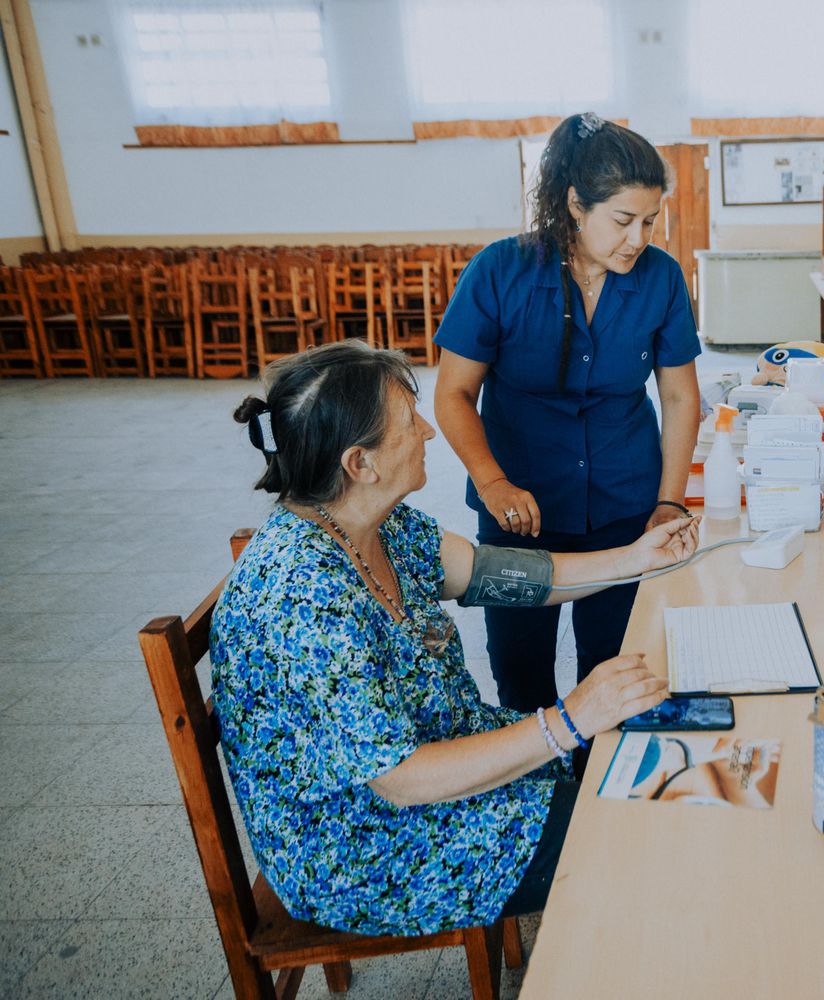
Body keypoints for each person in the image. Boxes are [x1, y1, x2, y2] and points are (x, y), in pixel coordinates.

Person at [210, 341, 696, 935]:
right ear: (359, 463)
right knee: (628, 826)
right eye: (409, 421)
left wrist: (632, 558)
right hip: (364, 847)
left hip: (437, 767)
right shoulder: (299, 597)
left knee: (642, 773)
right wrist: (568, 719)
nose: (429, 432)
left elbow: (497, 574)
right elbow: (401, 778)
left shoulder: (373, 522)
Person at [433, 112, 701, 715]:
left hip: (624, 506)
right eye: (624, 220)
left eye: (651, 222)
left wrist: (669, 501)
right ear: (577, 205)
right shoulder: (500, 271)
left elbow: (682, 396)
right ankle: (545, 802)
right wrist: (491, 480)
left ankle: (598, 798)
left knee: (615, 670)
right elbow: (452, 394)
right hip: (519, 513)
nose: (639, 239)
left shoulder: (661, 278)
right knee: (521, 680)